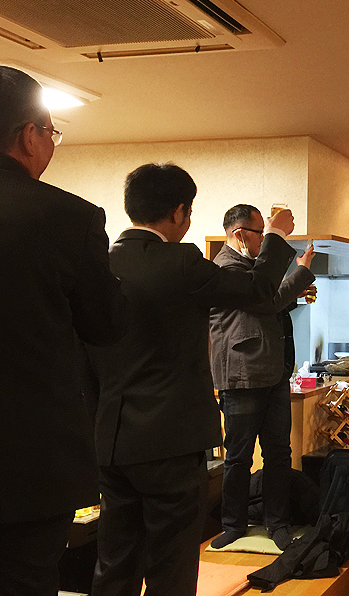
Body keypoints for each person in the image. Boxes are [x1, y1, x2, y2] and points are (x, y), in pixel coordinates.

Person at [86, 164, 296, 596]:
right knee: (172, 564)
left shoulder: (98, 265)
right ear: (179, 212)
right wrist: (275, 235)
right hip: (171, 441)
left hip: (110, 441)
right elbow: (258, 291)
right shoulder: (181, 262)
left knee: (115, 561)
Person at [0, 65, 126, 596]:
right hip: (29, 457)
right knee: (26, 579)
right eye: (51, 132)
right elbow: (106, 324)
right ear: (29, 135)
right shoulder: (67, 217)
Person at [209, 204, 316, 550]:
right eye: (261, 234)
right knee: (238, 456)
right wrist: (299, 271)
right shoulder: (225, 268)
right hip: (241, 376)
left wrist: (295, 285)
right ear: (240, 234)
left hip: (273, 372)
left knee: (279, 453)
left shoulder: (251, 270)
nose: (263, 241)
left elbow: (268, 301)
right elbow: (265, 302)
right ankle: (233, 524)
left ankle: (277, 522)